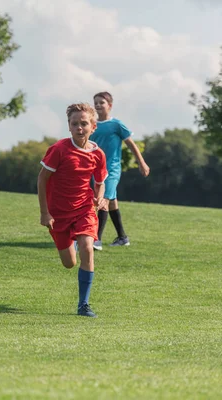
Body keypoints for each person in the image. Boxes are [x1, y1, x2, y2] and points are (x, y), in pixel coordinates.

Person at [38, 103, 108, 318]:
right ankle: (72, 242)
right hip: (58, 213)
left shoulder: (98, 154)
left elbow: (100, 181)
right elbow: (42, 179)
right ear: (68, 127)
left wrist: (100, 196)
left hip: (85, 209)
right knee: (69, 263)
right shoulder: (59, 150)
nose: (79, 127)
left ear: (93, 126)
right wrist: (44, 213)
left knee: (87, 247)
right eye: (74, 123)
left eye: (84, 123)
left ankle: (83, 305)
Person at [90, 92, 150, 250]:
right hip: (95, 170)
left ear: (109, 105)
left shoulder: (116, 125)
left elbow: (131, 144)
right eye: (95, 102)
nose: (97, 105)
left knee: (103, 200)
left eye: (101, 102)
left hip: (112, 169)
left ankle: (96, 240)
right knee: (111, 202)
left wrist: (141, 162)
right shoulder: (92, 125)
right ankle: (122, 237)